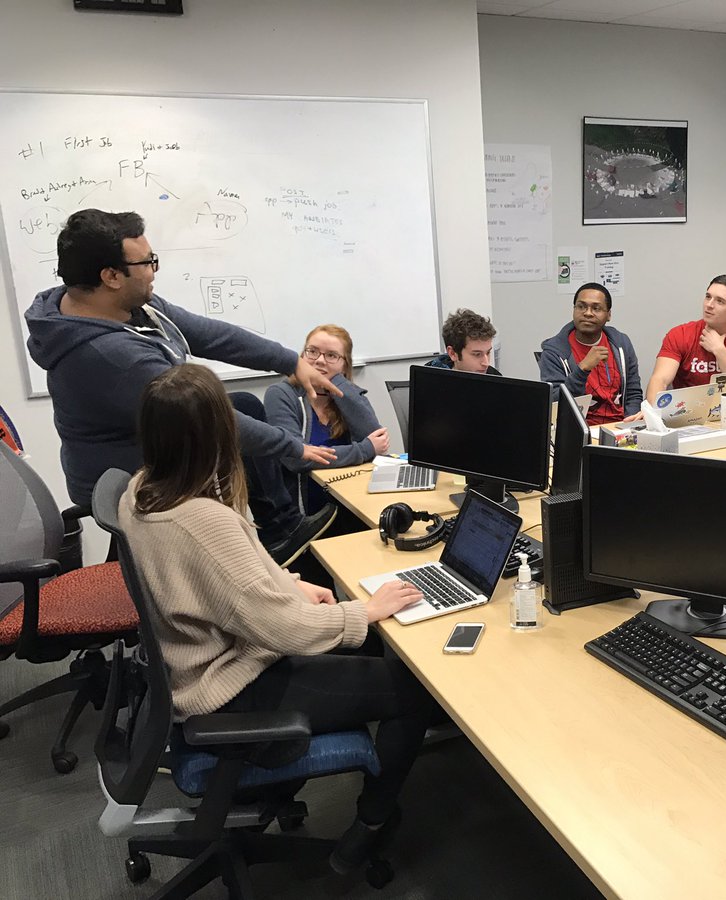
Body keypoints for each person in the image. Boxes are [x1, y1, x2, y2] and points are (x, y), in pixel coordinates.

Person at [118, 364, 434, 875]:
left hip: (194, 663)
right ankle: (371, 825)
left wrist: (289, 584)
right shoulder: (203, 519)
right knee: (417, 688)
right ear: (219, 433)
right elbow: (284, 630)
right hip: (231, 687)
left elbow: (225, 581)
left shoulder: (141, 490)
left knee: (367, 647)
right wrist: (364, 611)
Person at [25, 209, 338, 564]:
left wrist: (289, 361)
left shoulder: (123, 306)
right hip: (128, 473)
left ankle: (279, 530)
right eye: (147, 262)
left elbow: (210, 335)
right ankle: (266, 544)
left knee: (245, 405)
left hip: (151, 441)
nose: (153, 271)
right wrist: (292, 447)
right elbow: (202, 417)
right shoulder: (112, 357)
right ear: (111, 276)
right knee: (231, 422)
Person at [265, 324, 388, 517]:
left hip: (353, 504)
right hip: (306, 516)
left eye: (331, 355)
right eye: (312, 352)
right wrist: (363, 450)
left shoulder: (346, 396)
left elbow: (377, 441)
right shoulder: (282, 394)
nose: (320, 361)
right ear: (302, 356)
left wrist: (338, 385)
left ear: (345, 364)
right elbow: (296, 458)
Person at [643, 274, 726, 400]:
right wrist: (652, 409)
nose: (709, 305)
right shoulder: (680, 334)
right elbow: (660, 379)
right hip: (688, 408)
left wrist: (719, 350)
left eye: (720, 301)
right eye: (708, 297)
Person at [538, 282, 643, 424]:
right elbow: (555, 403)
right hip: (579, 429)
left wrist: (631, 424)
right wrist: (582, 369)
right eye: (581, 307)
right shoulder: (554, 352)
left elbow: (633, 393)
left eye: (596, 308)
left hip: (621, 426)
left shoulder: (621, 343)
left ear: (608, 315)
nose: (587, 313)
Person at [426, 308, 501, 374]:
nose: (486, 363)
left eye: (488, 353)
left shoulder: (495, 377)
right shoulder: (427, 380)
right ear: (453, 353)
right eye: (477, 354)